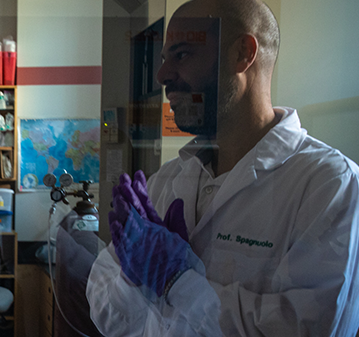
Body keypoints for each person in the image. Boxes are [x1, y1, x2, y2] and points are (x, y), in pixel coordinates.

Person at [85, 0, 359, 335]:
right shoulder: (165, 181)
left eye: (182, 54)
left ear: (243, 53)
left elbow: (307, 328)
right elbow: (104, 314)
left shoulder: (327, 184)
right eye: (164, 59)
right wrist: (132, 275)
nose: (162, 75)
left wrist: (176, 282)